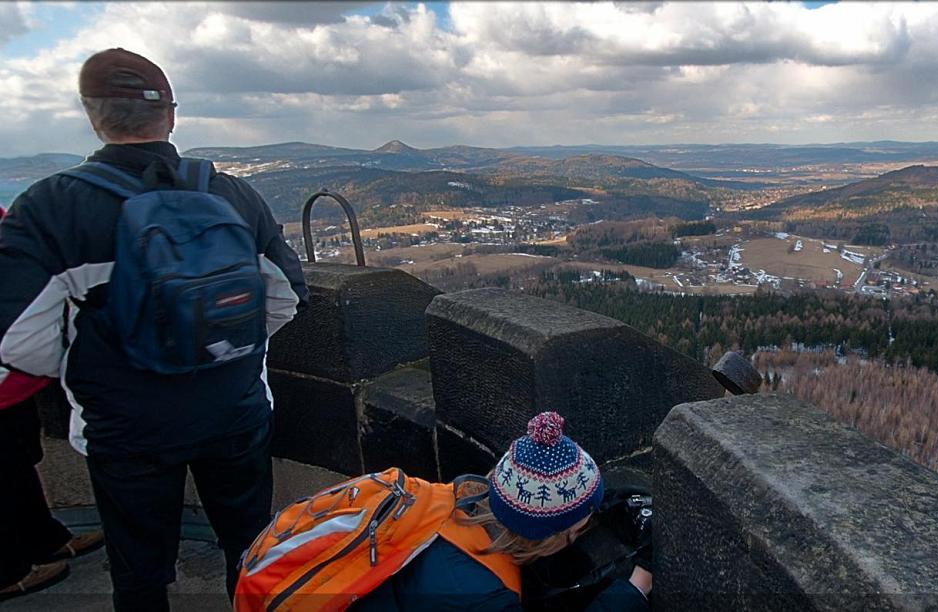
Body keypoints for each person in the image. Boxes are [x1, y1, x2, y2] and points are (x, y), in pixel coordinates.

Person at [0, 48, 307, 611]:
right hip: (232, 410)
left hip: (125, 427)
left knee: (140, 571)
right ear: (170, 113)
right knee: (252, 549)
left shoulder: (51, 207)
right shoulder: (230, 194)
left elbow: (18, 341)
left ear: (92, 115)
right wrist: (221, 350)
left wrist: (91, 362)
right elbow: (285, 298)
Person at [234, 412, 651, 611]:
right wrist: (632, 591)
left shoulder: (438, 501)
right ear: (546, 535)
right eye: (577, 529)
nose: (583, 532)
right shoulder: (482, 595)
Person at [0, 206, 106, 601]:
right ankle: (8, 568)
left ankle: (40, 537)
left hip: (13, 371)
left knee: (19, 459)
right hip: (10, 365)